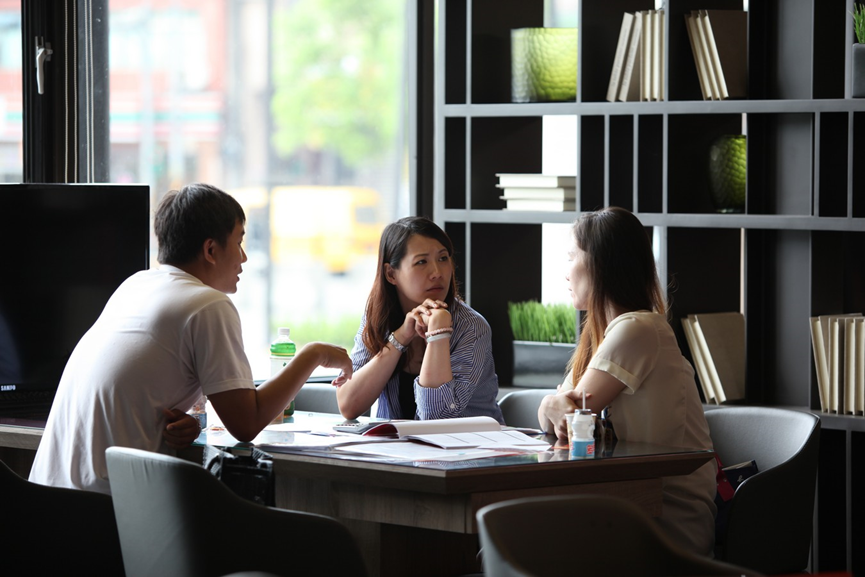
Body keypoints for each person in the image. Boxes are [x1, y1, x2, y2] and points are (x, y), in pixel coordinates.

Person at [29, 183, 352, 494]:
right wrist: (312, 355)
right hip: (102, 508)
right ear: (211, 250)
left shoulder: (136, 285)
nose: (244, 258)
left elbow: (138, 387)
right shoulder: (207, 304)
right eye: (239, 242)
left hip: (48, 496)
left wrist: (186, 423)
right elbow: (246, 423)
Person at [537, 206, 717, 556]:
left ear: (601, 264)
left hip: (664, 514)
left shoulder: (639, 328)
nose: (565, 272)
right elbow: (556, 416)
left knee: (517, 544)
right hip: (618, 502)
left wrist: (556, 404)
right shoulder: (600, 335)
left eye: (572, 255)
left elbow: (573, 410)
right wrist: (552, 404)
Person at [334, 216, 503, 423]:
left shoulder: (471, 327)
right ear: (391, 274)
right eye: (421, 262)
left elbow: (437, 418)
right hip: (396, 453)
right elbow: (349, 405)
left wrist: (438, 333)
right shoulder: (379, 319)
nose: (437, 273)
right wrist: (400, 338)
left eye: (443, 258)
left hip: (469, 451)